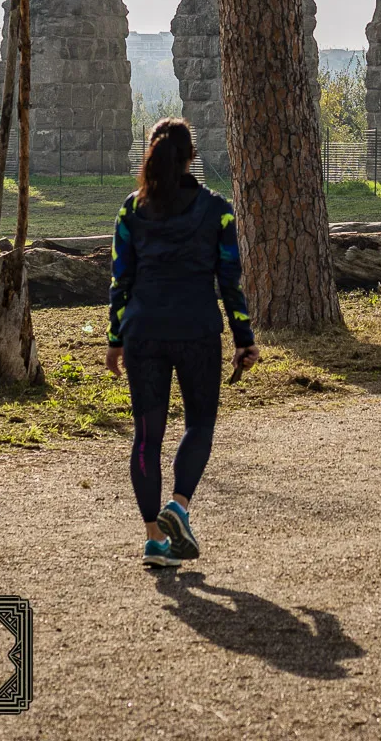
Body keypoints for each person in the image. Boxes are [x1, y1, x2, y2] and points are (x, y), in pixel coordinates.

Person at [105, 118, 260, 567]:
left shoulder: (130, 211)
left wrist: (115, 340)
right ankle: (178, 506)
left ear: (150, 156)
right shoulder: (217, 210)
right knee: (199, 426)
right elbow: (230, 281)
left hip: (143, 333)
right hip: (196, 331)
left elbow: (121, 279)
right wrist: (243, 338)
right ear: (191, 157)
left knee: (146, 437)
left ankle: (155, 539)